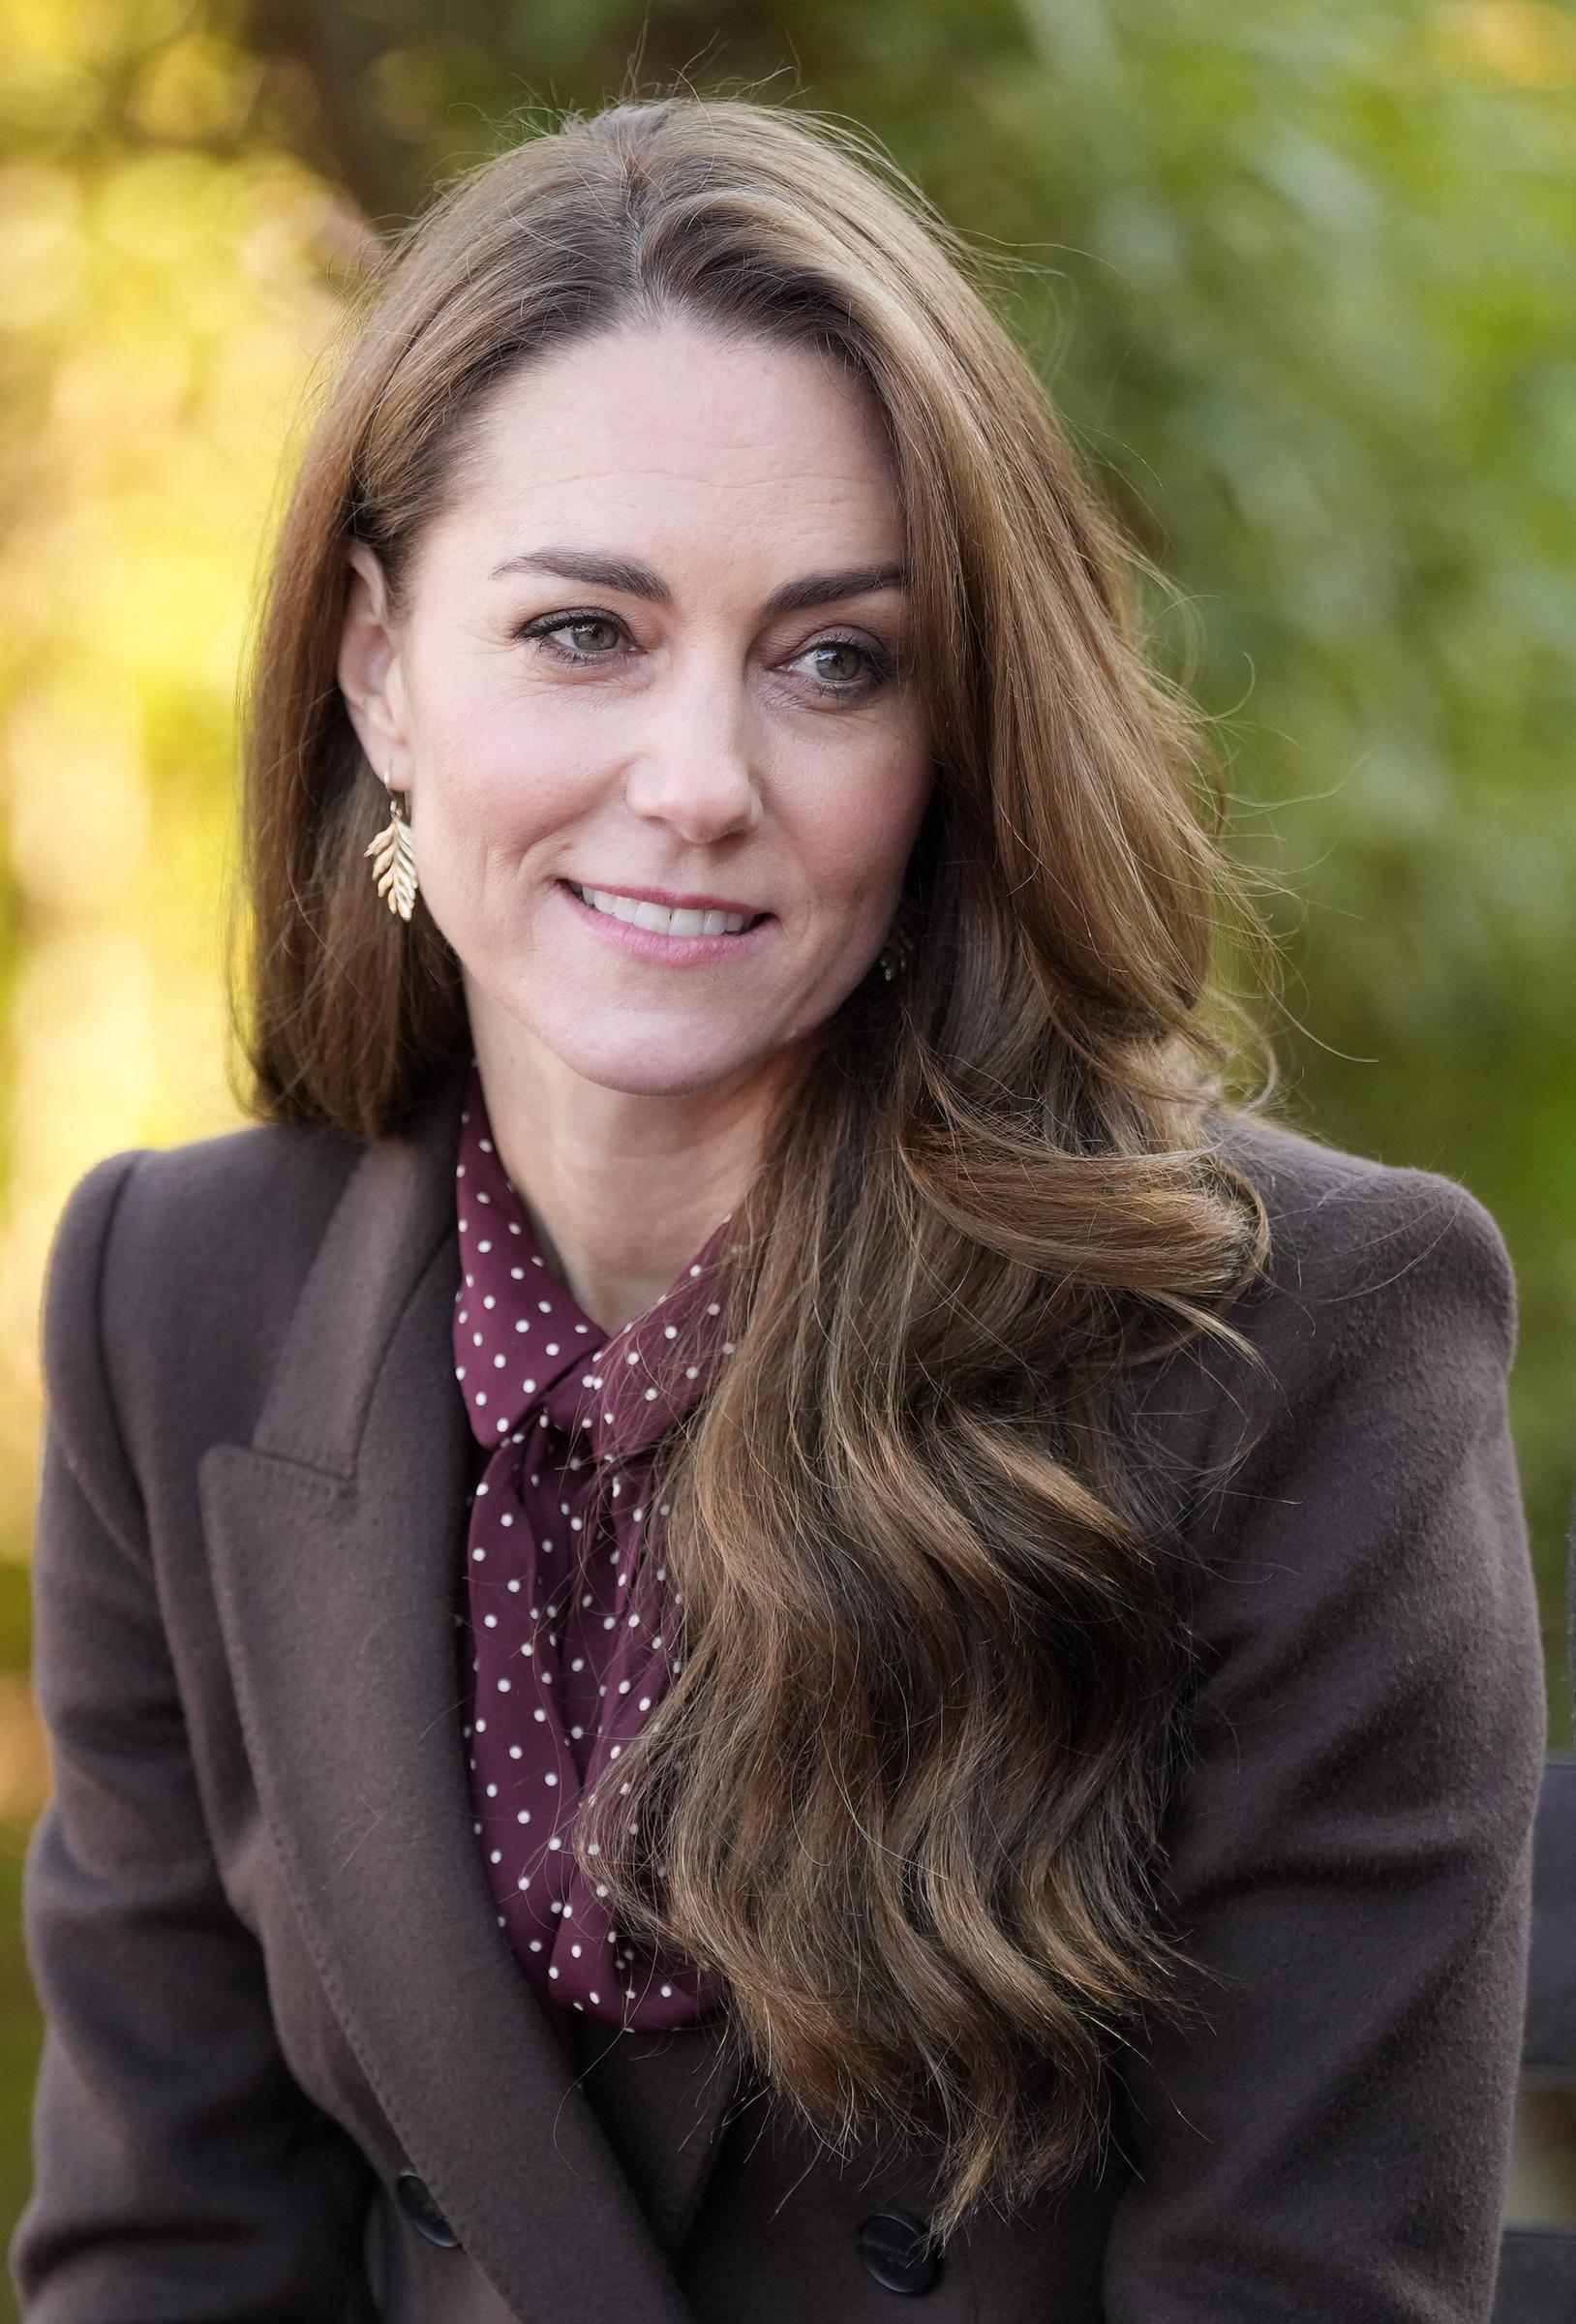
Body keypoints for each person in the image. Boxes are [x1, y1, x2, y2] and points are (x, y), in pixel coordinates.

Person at [10, 94, 1545, 2324]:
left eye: (837, 661)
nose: (703, 782)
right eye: (581, 634)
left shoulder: (1300, 1340)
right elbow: (175, 2255)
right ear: (376, 670)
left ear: (951, 735)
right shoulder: (182, 1301)